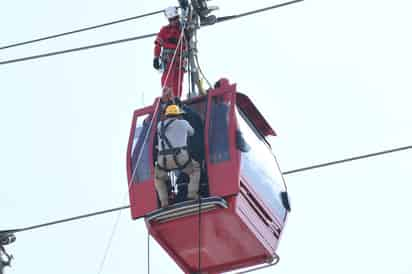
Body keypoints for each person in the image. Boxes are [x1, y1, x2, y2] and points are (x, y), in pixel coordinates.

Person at [154, 104, 201, 208]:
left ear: (167, 115)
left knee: (159, 177)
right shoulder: (183, 123)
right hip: (180, 157)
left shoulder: (159, 125)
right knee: (195, 169)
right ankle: (192, 194)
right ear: (178, 115)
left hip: (163, 159)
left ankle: (164, 201)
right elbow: (192, 133)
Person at [153, 6, 187, 98]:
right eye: (171, 19)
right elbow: (158, 45)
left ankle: (176, 99)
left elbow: (187, 42)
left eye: (175, 19)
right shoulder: (165, 30)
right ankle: (167, 98)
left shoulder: (183, 28)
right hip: (169, 58)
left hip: (180, 59)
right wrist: (156, 57)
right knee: (167, 79)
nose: (173, 21)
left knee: (178, 81)